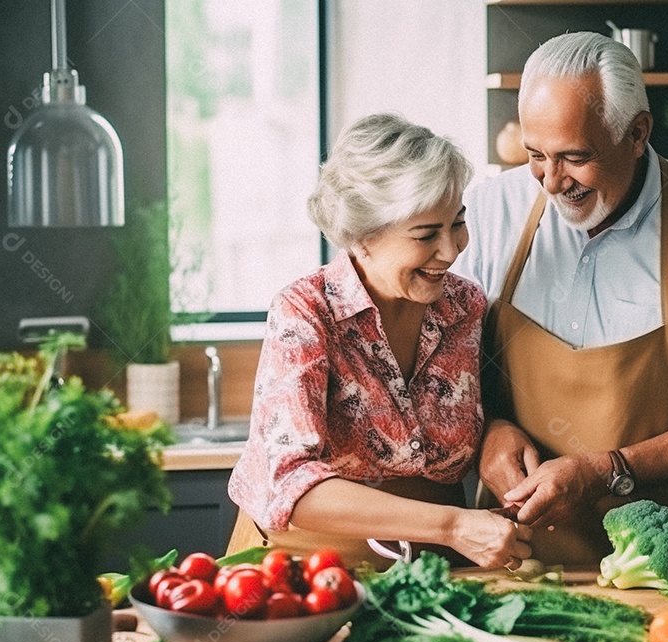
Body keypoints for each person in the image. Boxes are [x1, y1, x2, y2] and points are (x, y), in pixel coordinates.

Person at [457, 32, 668, 564]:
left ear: (637, 134)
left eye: (575, 157)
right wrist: (487, 430)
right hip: (515, 563)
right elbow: (443, 368)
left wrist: (607, 470)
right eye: (537, 156)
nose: (552, 181)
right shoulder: (490, 211)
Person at [227, 113, 532, 570]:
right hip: (301, 569)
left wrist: (497, 431)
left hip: (434, 570)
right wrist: (451, 525)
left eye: (458, 224)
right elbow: (292, 482)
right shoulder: (306, 312)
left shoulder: (465, 306)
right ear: (362, 238)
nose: (451, 250)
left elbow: (474, 409)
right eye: (426, 234)